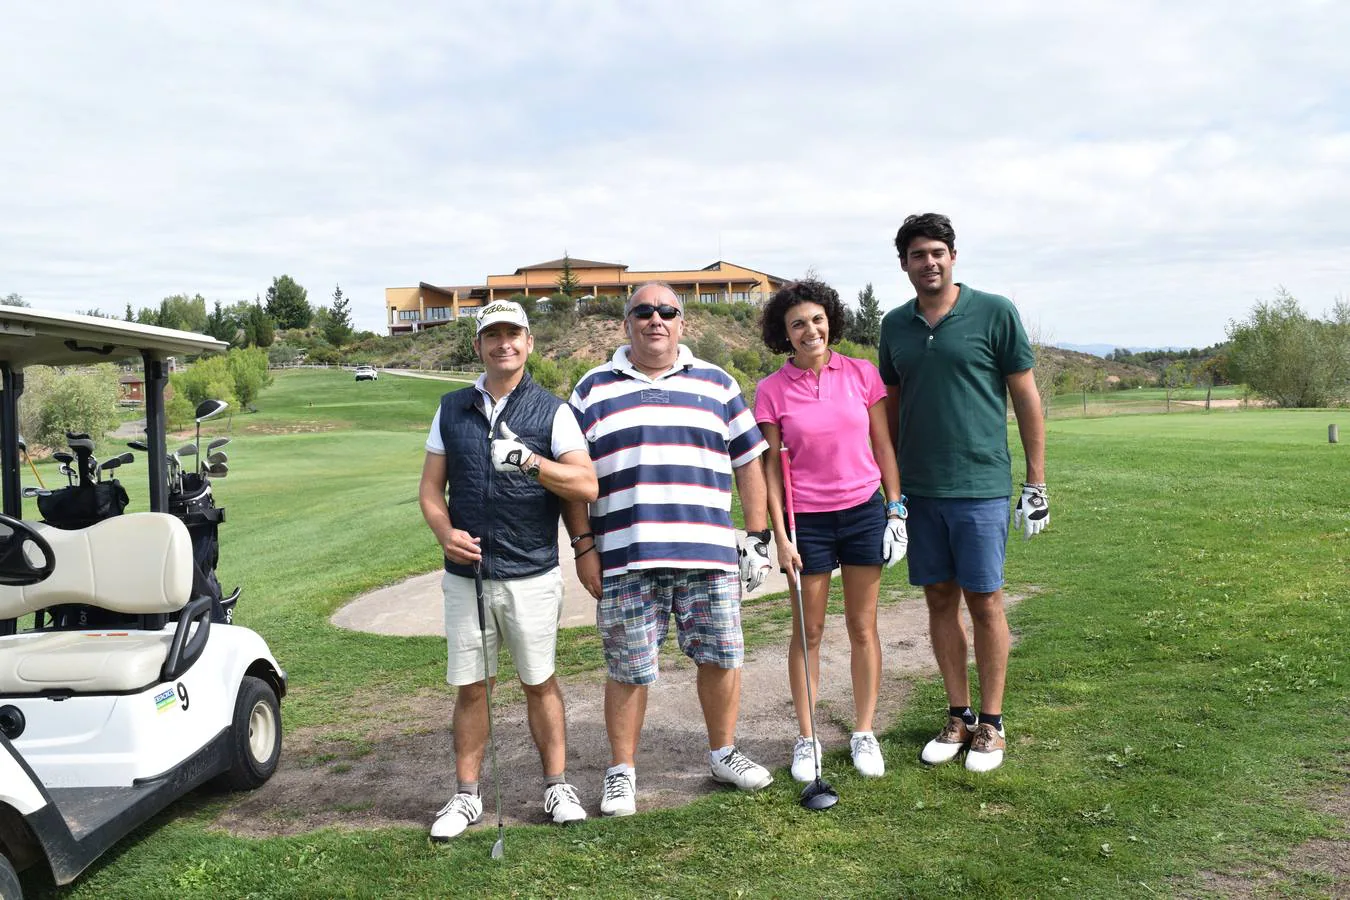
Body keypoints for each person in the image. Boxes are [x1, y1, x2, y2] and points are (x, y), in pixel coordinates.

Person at [562, 282, 776, 817]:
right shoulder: (591, 390)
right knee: (628, 667)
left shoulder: (719, 383)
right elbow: (571, 474)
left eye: (667, 312)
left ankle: (723, 753)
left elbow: (749, 461)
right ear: (625, 322)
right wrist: (584, 546)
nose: (655, 320)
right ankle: (621, 772)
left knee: (721, 657)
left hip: (707, 554)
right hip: (625, 555)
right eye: (643, 312)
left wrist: (758, 535)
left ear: (682, 322)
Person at [418, 300, 599, 839]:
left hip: (531, 573)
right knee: (473, 687)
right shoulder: (451, 408)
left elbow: (585, 485)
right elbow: (431, 489)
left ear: (529, 343)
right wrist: (443, 532)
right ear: (478, 346)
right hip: (466, 575)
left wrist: (531, 462)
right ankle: (467, 796)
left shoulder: (553, 411)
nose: (503, 343)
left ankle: (557, 784)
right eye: (492, 335)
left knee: (539, 681)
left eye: (513, 334)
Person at [878, 213, 1048, 774]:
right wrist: (893, 489)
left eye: (938, 252)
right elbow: (892, 408)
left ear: (953, 256)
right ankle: (958, 714)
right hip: (921, 491)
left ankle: (992, 725)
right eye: (918, 254)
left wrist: (1036, 481)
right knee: (938, 602)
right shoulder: (894, 325)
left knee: (986, 601)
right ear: (903, 264)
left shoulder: (995, 311)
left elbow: (1025, 396)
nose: (929, 262)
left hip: (979, 486)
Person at [754, 278, 906, 782]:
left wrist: (895, 508)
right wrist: (781, 535)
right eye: (798, 323)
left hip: (863, 510)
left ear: (831, 322)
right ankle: (807, 737)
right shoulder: (771, 390)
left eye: (817, 320)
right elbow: (772, 470)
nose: (809, 330)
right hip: (807, 523)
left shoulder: (861, 374)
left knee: (863, 627)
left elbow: (884, 447)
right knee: (809, 630)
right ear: (785, 332)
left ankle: (864, 730)